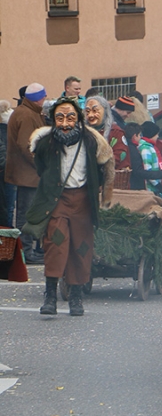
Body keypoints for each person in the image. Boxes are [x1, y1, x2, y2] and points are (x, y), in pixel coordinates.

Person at [24, 97, 115, 316]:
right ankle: (50, 297)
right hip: (57, 201)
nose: (65, 124)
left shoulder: (91, 142)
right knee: (55, 244)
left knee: (81, 248)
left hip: (83, 201)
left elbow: (103, 169)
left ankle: (76, 298)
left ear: (79, 119)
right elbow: (40, 168)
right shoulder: (46, 144)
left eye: (70, 118)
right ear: (53, 120)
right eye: (60, 118)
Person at [6, 83, 47, 263]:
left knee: (28, 212)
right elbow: (26, 145)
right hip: (27, 174)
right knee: (27, 213)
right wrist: (39, 164)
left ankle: (28, 250)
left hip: (27, 173)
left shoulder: (27, 112)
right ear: (38, 98)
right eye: (43, 97)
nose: (45, 99)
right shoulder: (27, 115)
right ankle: (26, 252)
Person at [124, 123, 162, 192]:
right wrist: (159, 184)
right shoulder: (144, 149)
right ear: (134, 136)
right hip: (150, 188)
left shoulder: (147, 147)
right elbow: (146, 170)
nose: (158, 136)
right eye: (139, 135)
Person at [109, 96, 135, 172]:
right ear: (120, 109)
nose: (128, 116)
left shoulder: (117, 120)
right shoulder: (113, 121)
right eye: (128, 112)